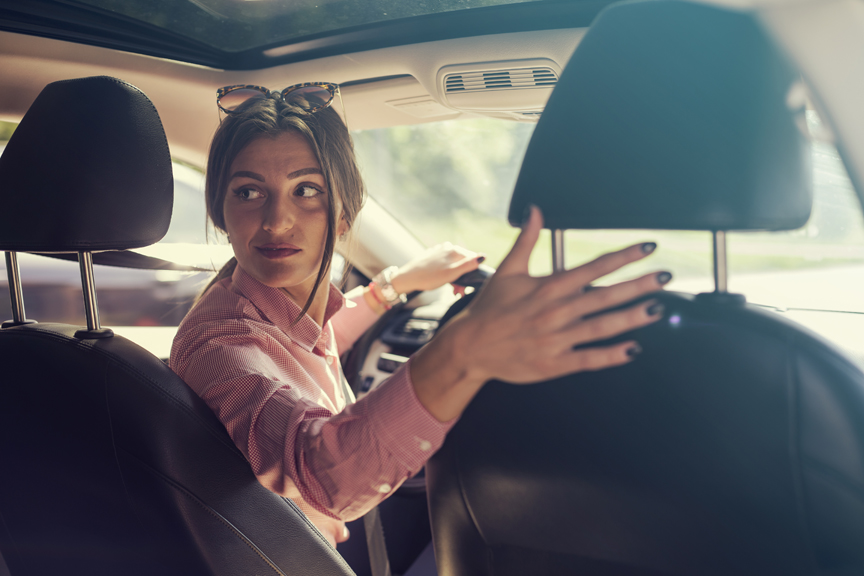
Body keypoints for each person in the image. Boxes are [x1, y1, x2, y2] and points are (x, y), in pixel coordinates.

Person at [169, 84, 670, 548]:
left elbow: (305, 349)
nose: (277, 220)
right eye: (248, 192)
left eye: (307, 190)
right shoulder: (220, 343)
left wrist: (393, 286)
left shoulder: (262, 313)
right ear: (219, 210)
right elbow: (324, 475)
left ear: (346, 213)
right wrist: (462, 352)